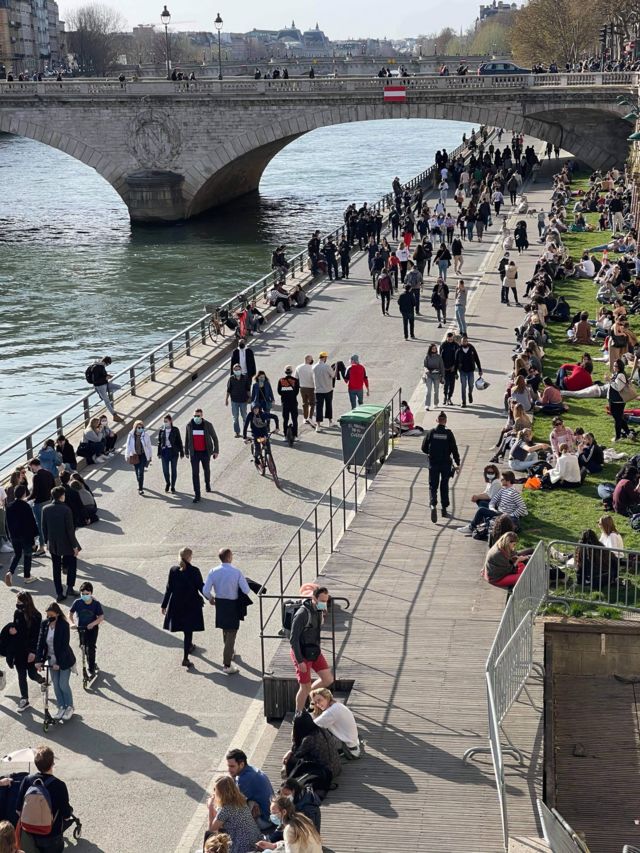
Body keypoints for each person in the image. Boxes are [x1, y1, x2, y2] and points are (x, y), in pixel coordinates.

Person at [202, 548, 251, 675]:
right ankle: (227, 664)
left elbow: (206, 590)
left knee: (225, 629)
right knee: (232, 633)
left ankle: (230, 652)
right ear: (229, 557)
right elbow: (246, 590)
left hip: (220, 603)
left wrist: (211, 598)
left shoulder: (213, 571)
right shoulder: (236, 572)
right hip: (232, 604)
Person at [16, 746, 73, 852]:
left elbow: (18, 810)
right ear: (52, 764)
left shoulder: (27, 780)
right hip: (52, 835)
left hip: (30, 833)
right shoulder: (59, 785)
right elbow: (66, 816)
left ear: (36, 764)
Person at [289, 586, 333, 712]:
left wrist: (324, 613)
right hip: (302, 653)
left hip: (314, 650)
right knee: (304, 687)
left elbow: (319, 623)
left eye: (326, 601)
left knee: (328, 679)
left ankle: (311, 699)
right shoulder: (302, 614)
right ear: (314, 598)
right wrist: (300, 660)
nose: (324, 604)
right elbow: (293, 639)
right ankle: (298, 716)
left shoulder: (319, 608)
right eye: (321, 601)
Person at [35, 602, 76, 721]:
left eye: (51, 615)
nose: (49, 617)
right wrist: (38, 660)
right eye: (47, 615)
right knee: (56, 686)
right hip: (51, 659)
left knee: (63, 684)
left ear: (57, 614)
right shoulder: (45, 624)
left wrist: (59, 663)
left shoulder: (63, 625)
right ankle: (61, 707)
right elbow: (40, 643)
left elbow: (64, 646)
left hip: (64, 660)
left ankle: (69, 706)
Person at [281, 711, 341, 791]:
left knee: (291, 761)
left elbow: (297, 754)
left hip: (327, 772)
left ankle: (289, 777)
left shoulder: (308, 739)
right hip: (336, 766)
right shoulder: (321, 729)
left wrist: (290, 749)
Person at [6, 591, 43, 712]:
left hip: (30, 652)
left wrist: (33, 652)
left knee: (32, 675)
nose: (18, 604)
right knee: (21, 675)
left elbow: (37, 635)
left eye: (20, 602)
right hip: (19, 650)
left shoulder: (36, 616)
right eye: (17, 602)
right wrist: (12, 631)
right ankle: (24, 699)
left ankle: (41, 680)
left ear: (27, 602)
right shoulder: (17, 613)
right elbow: (16, 628)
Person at [41, 486, 80, 603]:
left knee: (56, 568)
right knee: (72, 564)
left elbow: (44, 527)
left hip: (53, 543)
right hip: (67, 542)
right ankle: (70, 588)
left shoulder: (45, 509)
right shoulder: (66, 509)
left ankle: (59, 593)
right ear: (61, 496)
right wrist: (75, 546)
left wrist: (46, 541)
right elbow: (70, 530)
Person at [458, 470, 528, 534]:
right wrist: (493, 509)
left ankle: (472, 527)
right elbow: (492, 501)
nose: (501, 480)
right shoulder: (503, 490)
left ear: (508, 480)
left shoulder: (514, 493)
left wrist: (511, 515)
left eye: (503, 479)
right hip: (499, 512)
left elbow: (523, 507)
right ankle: (477, 524)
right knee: (481, 506)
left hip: (506, 516)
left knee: (482, 511)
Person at [421, 411, 460, 523]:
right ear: (446, 421)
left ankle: (433, 505)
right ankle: (444, 508)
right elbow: (454, 449)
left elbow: (423, 448)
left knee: (433, 486)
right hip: (445, 464)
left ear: (437, 420)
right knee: (444, 485)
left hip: (433, 463)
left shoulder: (431, 432)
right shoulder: (448, 433)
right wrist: (457, 462)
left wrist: (430, 453)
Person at [206, 775, 261, 853]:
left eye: (215, 790)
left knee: (209, 839)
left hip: (242, 847)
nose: (214, 792)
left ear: (221, 793)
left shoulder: (226, 809)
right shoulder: (240, 799)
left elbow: (211, 829)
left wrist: (210, 807)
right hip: (255, 839)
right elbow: (220, 818)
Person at [225, 749, 274, 827]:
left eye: (232, 766)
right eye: (228, 766)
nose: (229, 770)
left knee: (228, 816)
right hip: (270, 815)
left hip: (265, 821)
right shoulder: (251, 769)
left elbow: (233, 803)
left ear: (241, 764)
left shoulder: (244, 779)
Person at [256, 796, 323, 853]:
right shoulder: (301, 818)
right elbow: (293, 843)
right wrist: (274, 845)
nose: (271, 816)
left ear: (284, 812)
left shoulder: (289, 829)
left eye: (274, 813)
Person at [310, 687, 360, 758]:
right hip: (351, 744)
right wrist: (313, 706)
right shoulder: (337, 705)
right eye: (315, 702)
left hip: (348, 749)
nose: (318, 704)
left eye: (319, 700)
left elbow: (311, 725)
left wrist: (309, 709)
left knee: (314, 734)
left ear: (327, 697)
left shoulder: (331, 712)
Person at [5, 485, 38, 586]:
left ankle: (10, 572)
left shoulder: (9, 506)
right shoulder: (26, 506)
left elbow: (7, 523)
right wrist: (33, 539)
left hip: (14, 536)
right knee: (27, 555)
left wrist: (9, 536)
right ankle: (27, 576)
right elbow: (31, 523)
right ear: (24, 494)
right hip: (26, 536)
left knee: (17, 554)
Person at [185, 408, 220, 504]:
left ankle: (207, 483)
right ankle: (197, 494)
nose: (196, 417)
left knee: (206, 470)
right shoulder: (189, 425)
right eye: (195, 416)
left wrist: (216, 451)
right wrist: (186, 452)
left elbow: (215, 438)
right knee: (195, 474)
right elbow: (187, 439)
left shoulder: (208, 425)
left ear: (202, 416)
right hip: (194, 454)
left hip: (205, 452)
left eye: (198, 416)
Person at [28, 458, 55, 556]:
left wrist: (26, 499)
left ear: (33, 465)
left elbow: (34, 493)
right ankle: (51, 545)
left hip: (39, 504)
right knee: (49, 524)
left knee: (40, 526)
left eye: (30, 467)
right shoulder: (49, 473)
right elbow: (53, 487)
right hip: (48, 501)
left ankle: (42, 547)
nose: (30, 469)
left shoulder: (36, 476)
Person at [88, 356, 123, 422]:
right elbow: (95, 379)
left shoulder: (101, 366)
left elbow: (101, 375)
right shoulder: (97, 367)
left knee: (119, 387)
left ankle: (103, 394)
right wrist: (105, 378)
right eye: (108, 364)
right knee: (107, 401)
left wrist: (107, 375)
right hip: (100, 386)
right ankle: (114, 415)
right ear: (105, 362)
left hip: (105, 384)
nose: (107, 365)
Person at [125, 419, 153, 495]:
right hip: (135, 456)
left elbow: (149, 446)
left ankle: (140, 488)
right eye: (139, 427)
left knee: (141, 472)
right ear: (135, 428)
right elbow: (128, 446)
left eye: (141, 427)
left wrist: (150, 456)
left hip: (143, 456)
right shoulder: (131, 435)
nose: (140, 429)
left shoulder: (146, 435)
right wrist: (127, 456)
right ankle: (139, 482)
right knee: (137, 471)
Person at [157, 413, 184, 493]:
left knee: (173, 470)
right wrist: (159, 452)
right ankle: (168, 483)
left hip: (173, 452)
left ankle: (173, 486)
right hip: (164, 452)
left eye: (166, 421)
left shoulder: (175, 430)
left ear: (170, 421)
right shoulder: (161, 430)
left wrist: (182, 452)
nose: (165, 423)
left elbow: (179, 441)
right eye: (164, 421)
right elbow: (159, 442)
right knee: (165, 470)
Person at [608, 358, 633, 442]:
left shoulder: (621, 375)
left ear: (619, 367)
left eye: (615, 366)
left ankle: (618, 437)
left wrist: (610, 381)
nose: (613, 367)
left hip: (618, 401)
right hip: (613, 399)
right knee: (619, 418)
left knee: (617, 419)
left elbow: (618, 388)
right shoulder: (616, 374)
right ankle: (628, 433)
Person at [454, 335, 483, 407]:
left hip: (470, 370)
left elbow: (476, 359)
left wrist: (480, 369)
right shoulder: (458, 350)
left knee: (471, 385)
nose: (465, 342)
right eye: (463, 341)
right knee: (463, 386)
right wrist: (455, 373)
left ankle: (470, 393)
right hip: (462, 371)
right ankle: (463, 401)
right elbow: (456, 362)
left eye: (466, 341)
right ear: (461, 342)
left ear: (467, 341)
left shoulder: (472, 349)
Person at [312, 352, 336, 432]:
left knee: (319, 407)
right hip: (328, 389)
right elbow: (333, 376)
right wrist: (335, 369)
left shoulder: (314, 367)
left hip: (318, 390)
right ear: (324, 358)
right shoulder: (327, 366)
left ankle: (318, 426)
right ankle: (330, 422)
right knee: (328, 405)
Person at [423, 343, 445, 410]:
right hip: (429, 375)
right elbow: (425, 366)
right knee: (428, 391)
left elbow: (442, 367)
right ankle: (427, 405)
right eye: (433, 348)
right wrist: (426, 370)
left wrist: (443, 376)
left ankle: (435, 403)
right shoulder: (427, 357)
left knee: (436, 391)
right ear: (430, 349)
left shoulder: (439, 357)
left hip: (437, 376)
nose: (434, 349)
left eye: (435, 348)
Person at [295, 355, 315, 425]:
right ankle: (310, 417)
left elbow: (296, 378)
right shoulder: (312, 367)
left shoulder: (298, 367)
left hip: (302, 388)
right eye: (311, 359)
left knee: (304, 403)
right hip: (311, 387)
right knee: (312, 403)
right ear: (308, 360)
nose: (312, 361)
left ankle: (305, 418)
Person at [440, 331, 459, 406]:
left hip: (453, 369)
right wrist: (442, 367)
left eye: (451, 339)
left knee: (452, 384)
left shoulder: (456, 345)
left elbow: (457, 358)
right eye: (449, 339)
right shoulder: (443, 345)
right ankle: (445, 396)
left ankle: (449, 397)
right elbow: (440, 357)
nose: (450, 340)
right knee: (446, 384)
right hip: (445, 368)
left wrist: (455, 366)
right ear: (447, 338)